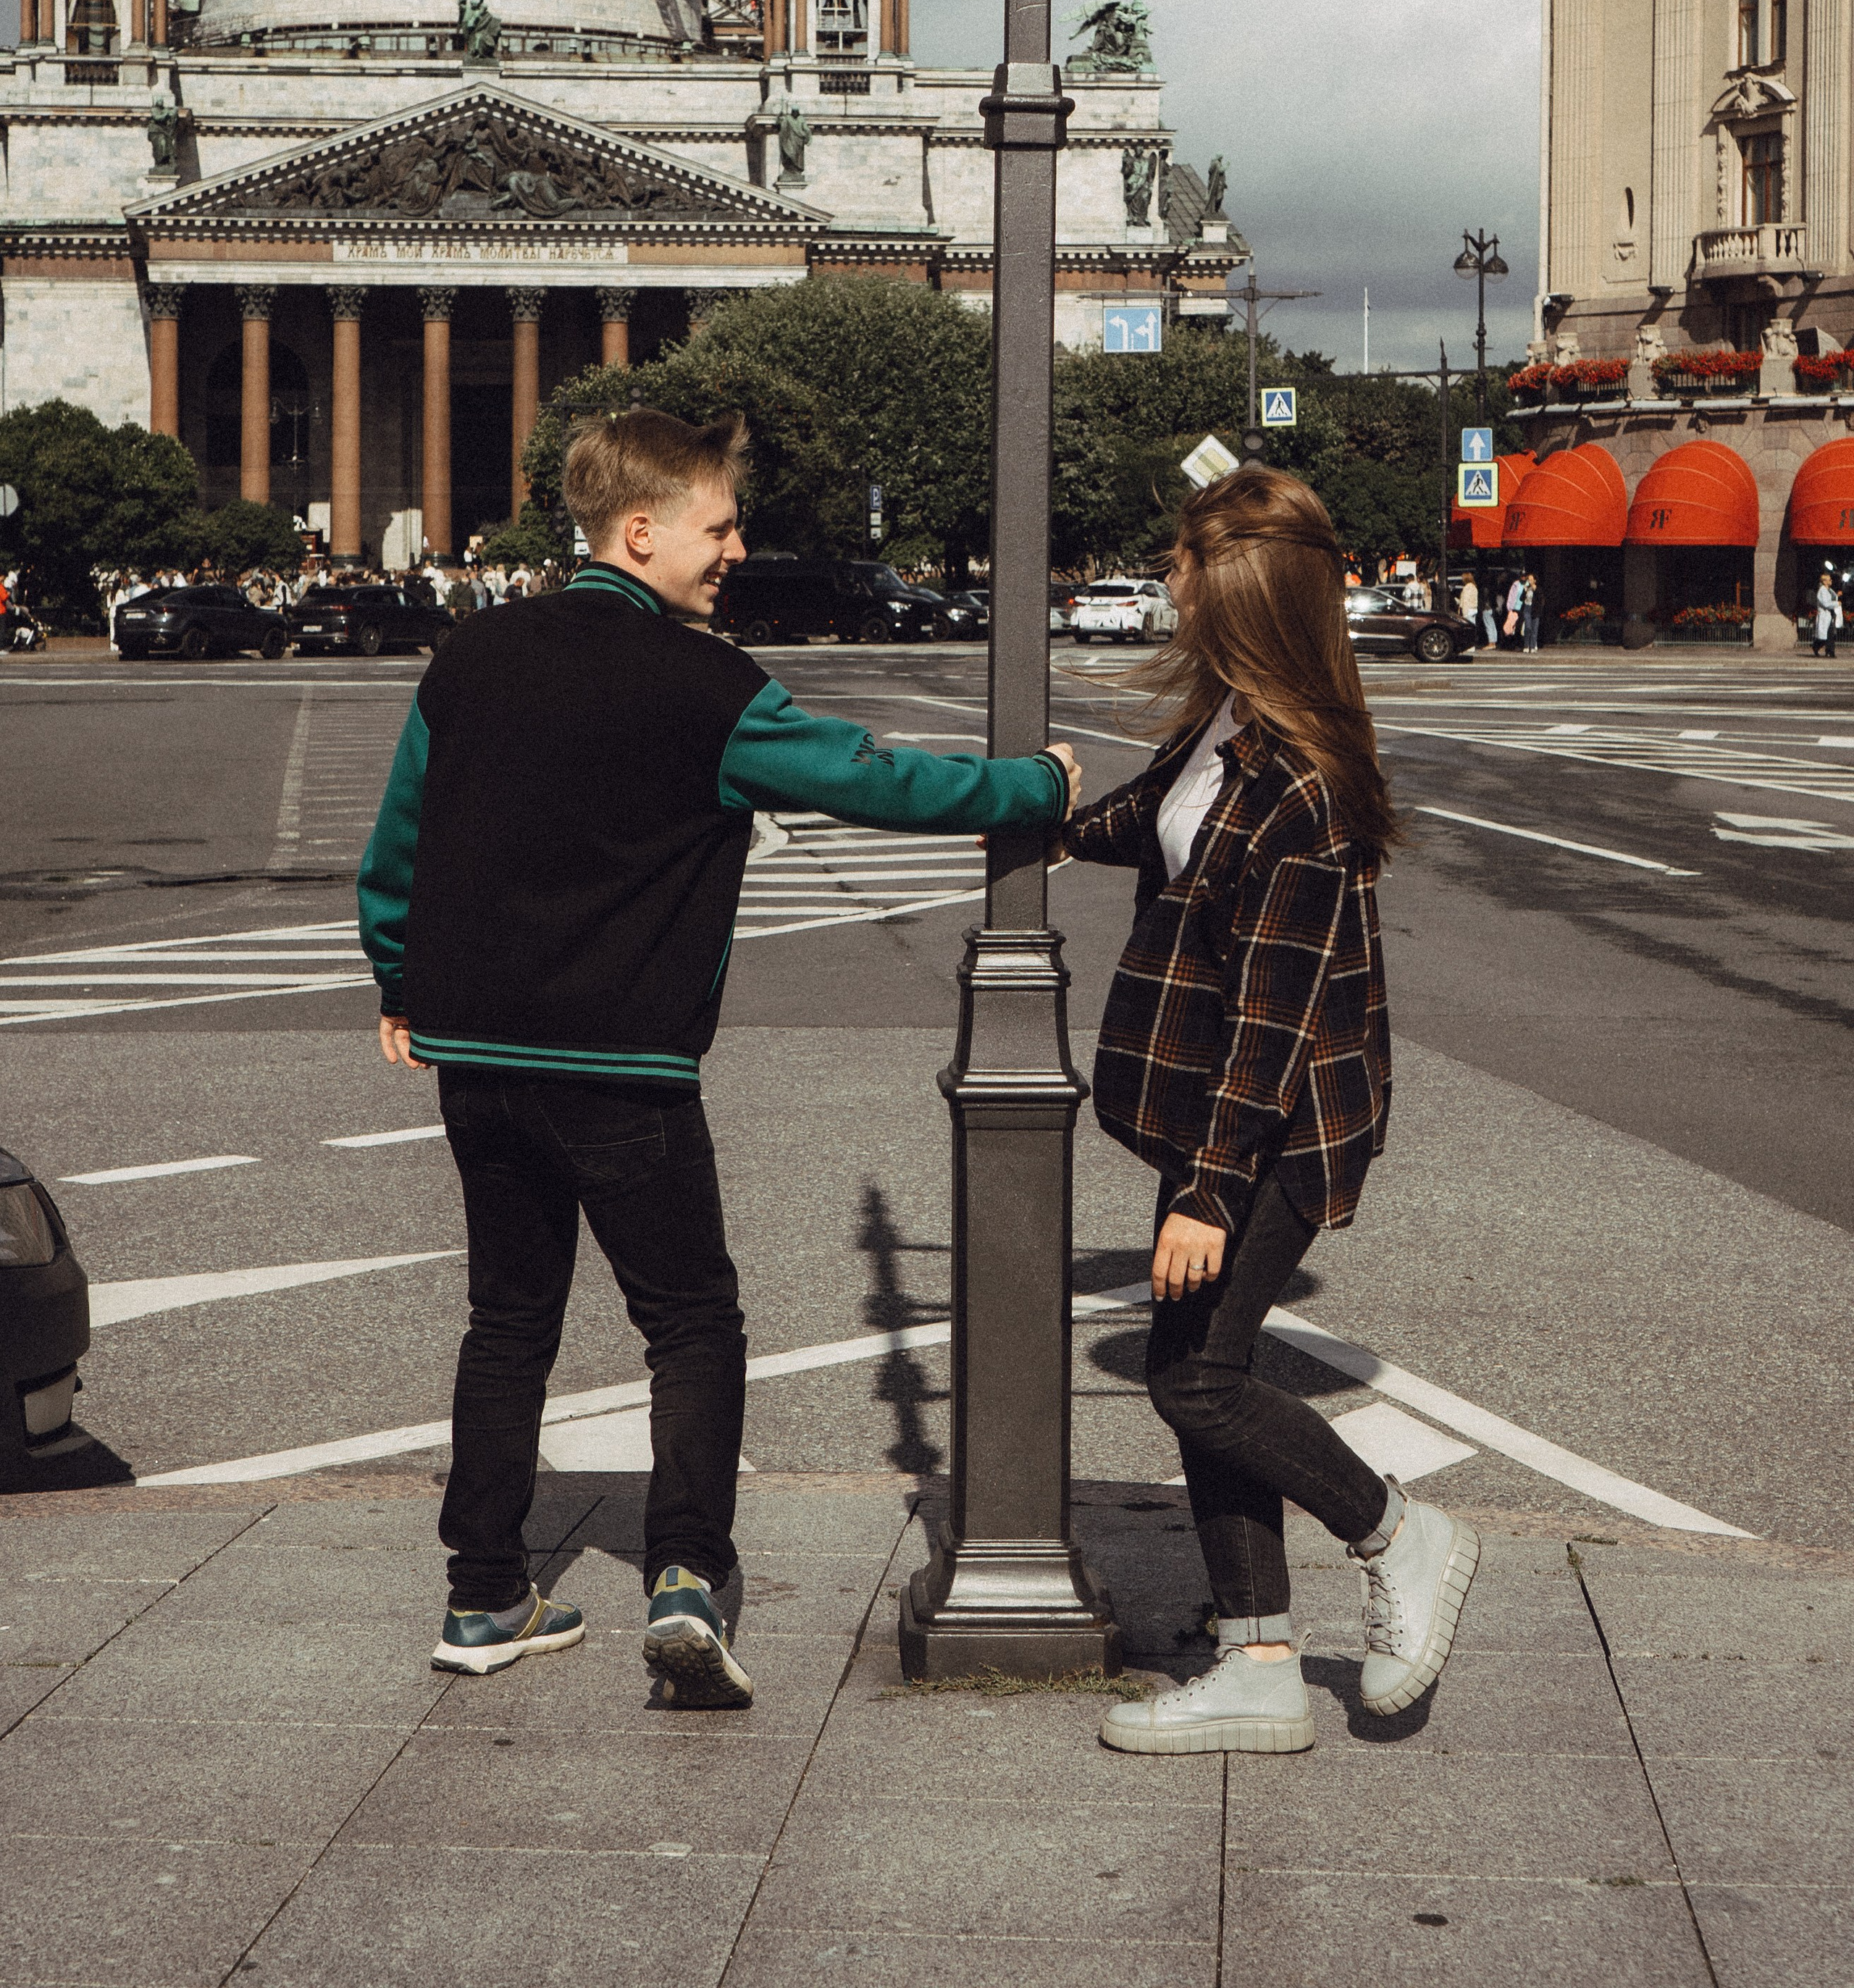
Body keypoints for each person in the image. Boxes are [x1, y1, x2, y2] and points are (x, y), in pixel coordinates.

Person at [357, 408, 1079, 1697]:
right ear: (641, 532)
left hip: (475, 1053)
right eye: (721, 524)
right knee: (691, 1319)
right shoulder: (710, 686)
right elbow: (876, 780)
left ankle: (479, 1600)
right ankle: (686, 1578)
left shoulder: (472, 653)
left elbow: (400, 839)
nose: (738, 548)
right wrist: (1039, 788)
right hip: (622, 1060)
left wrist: (397, 977)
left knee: (507, 1320)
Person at [1070, 465, 1478, 1757]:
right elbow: (1151, 824)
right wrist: (1037, 817)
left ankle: (1402, 1536)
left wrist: (1206, 1188)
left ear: (1236, 590)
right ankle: (1254, 1657)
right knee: (1205, 1371)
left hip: (1273, 1124)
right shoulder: (1225, 728)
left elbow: (1275, 1009)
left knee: (1197, 1379)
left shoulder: (1300, 778)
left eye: (1186, 565)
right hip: (1219, 1115)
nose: (1168, 582)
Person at [1813, 568, 1842, 660]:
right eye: (1829, 580)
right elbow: (1826, 604)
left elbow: (1831, 598)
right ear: (1825, 582)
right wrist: (1836, 604)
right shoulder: (1822, 591)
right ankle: (1816, 646)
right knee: (1823, 636)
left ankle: (1830, 652)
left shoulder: (1828, 590)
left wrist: (1837, 596)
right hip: (1825, 616)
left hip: (1829, 616)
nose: (1831, 581)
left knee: (1830, 634)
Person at [1456, 571, 1479, 648]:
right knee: (1472, 628)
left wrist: (1464, 612)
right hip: (1473, 609)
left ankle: (1469, 646)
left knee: (1468, 629)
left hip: (1468, 610)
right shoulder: (1474, 587)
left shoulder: (1467, 588)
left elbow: (1466, 601)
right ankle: (1472, 646)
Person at [1521, 567, 1540, 653]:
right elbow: (1521, 598)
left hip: (1535, 610)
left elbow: (1540, 599)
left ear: (1535, 581)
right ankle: (1526, 645)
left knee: (1534, 629)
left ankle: (1532, 647)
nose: (1529, 581)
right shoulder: (1526, 588)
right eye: (1529, 579)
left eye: (1531, 579)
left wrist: (1534, 588)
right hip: (1527, 608)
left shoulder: (1538, 589)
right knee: (1528, 627)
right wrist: (1524, 591)